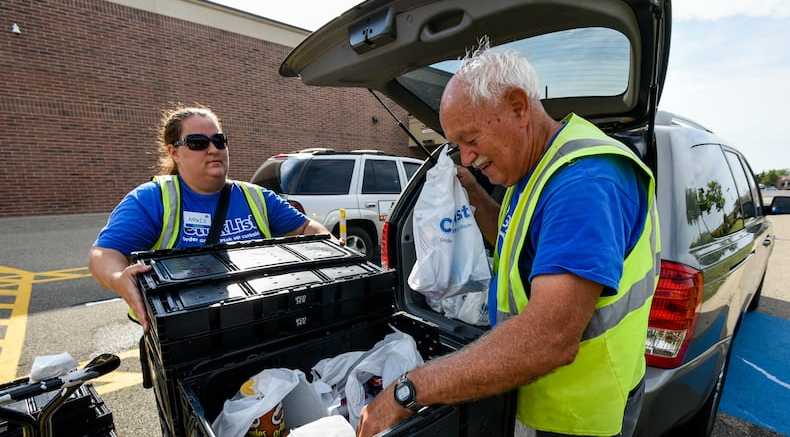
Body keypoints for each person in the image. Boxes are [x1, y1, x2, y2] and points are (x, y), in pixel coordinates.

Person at [357, 43, 659, 437]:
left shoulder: (584, 182)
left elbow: (550, 338)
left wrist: (410, 390)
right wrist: (472, 192)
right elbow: (521, 243)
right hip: (543, 398)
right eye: (457, 147)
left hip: (579, 417)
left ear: (518, 107)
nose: (466, 157)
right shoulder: (535, 165)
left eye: (470, 139)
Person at [89, 106, 335, 332]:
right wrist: (117, 278)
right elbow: (105, 253)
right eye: (197, 142)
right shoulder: (152, 199)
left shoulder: (256, 197)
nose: (213, 149)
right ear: (174, 152)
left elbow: (306, 227)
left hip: (256, 324)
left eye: (219, 140)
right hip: (187, 334)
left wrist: (329, 245)